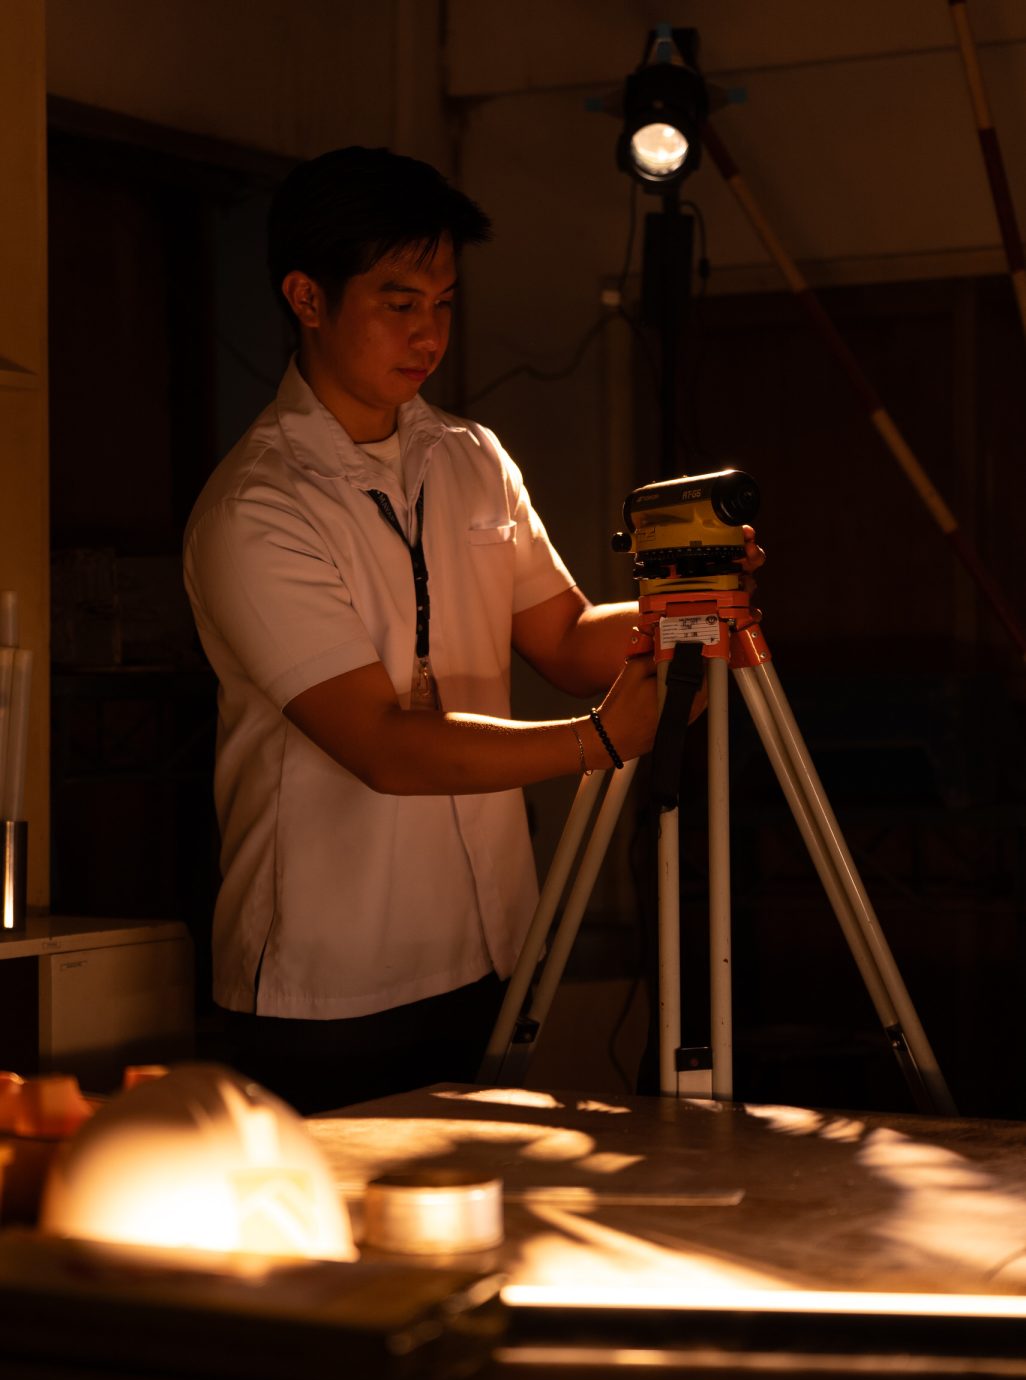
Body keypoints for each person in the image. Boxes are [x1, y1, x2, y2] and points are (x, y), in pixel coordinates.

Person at [184, 146, 764, 1113]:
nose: (429, 334)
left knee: (491, 1195)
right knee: (343, 1210)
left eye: (445, 303)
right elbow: (379, 745)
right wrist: (596, 742)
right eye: (399, 303)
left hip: (489, 941)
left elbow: (566, 638)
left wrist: (688, 603)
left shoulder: (469, 457)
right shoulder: (258, 505)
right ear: (307, 298)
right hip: (330, 972)